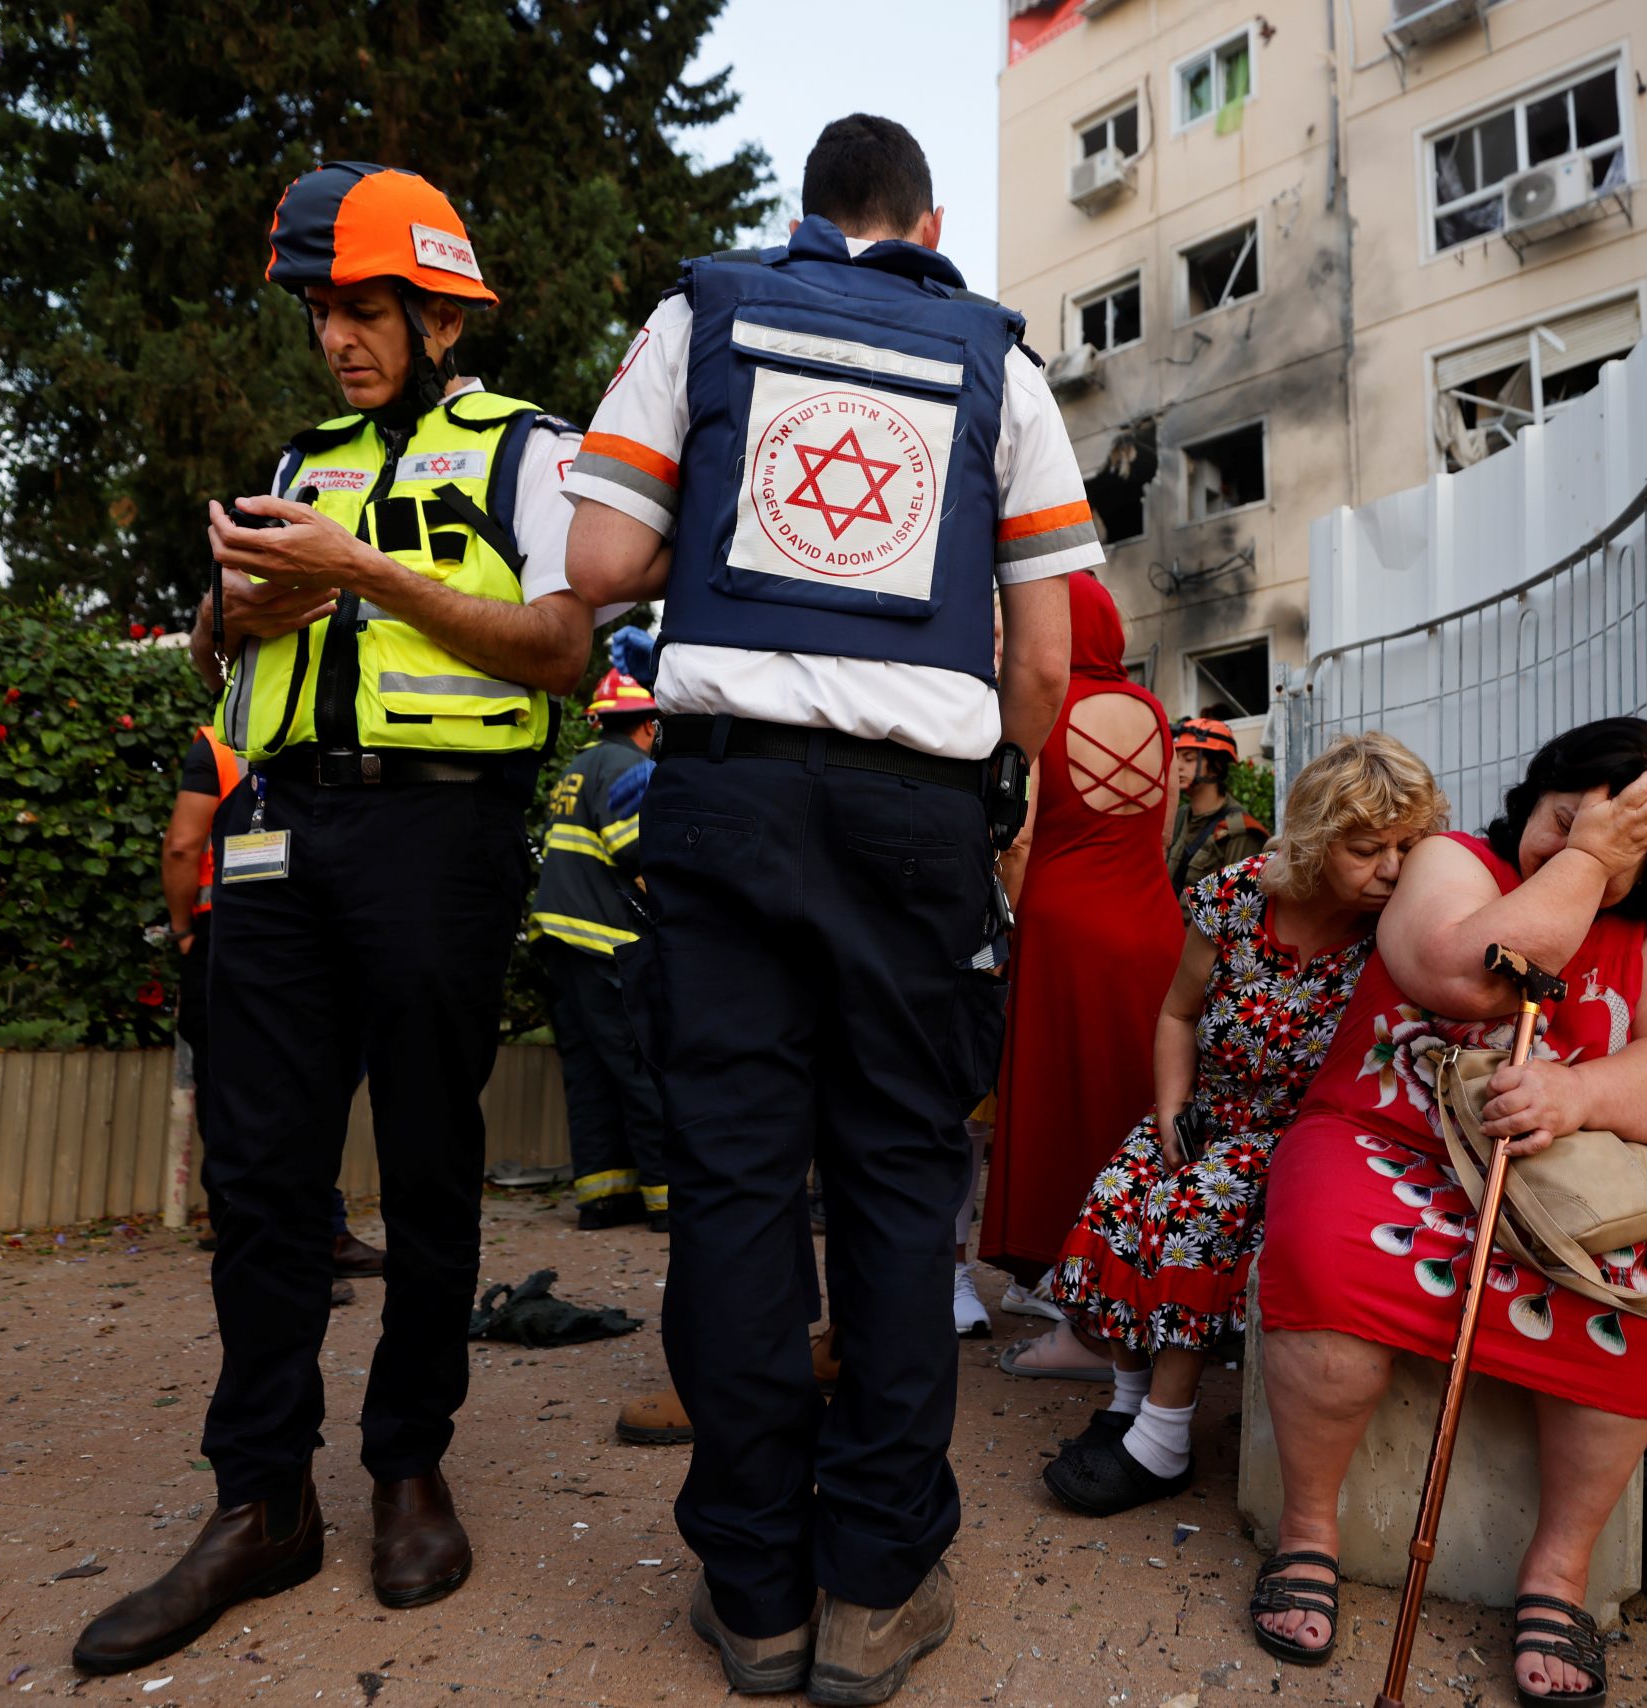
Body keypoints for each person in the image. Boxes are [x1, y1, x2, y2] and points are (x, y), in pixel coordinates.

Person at [561, 113, 1089, 1705]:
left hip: (721, 794)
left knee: (729, 1185)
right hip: (913, 818)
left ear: (804, 213)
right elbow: (1049, 660)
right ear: (925, 219)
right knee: (893, 1186)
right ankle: (872, 1591)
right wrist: (987, 813)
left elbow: (595, 555)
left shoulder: (703, 311)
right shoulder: (999, 358)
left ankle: (754, 1593)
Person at [76, 163, 605, 1676]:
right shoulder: (295, 464)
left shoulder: (530, 455)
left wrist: (365, 574)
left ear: (440, 318)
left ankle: (406, 1468)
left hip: (441, 832)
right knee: (261, 1180)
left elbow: (565, 650)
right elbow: (216, 651)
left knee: (432, 1162)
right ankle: (261, 1500)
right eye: (321, 310)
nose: (336, 337)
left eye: (364, 309)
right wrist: (230, 612)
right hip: (275, 833)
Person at [1246, 717, 1647, 1705]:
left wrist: (1579, 1097)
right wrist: (1588, 858)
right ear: (1530, 801)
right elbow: (1463, 971)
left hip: (1543, 1174)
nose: (1584, 844)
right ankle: (1308, 1531)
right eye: (1562, 819)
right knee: (1327, 1251)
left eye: (1624, 840)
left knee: (1641, 1280)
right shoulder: (1454, 861)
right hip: (1385, 1135)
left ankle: (1557, 1577)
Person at [1032, 734, 1446, 1514]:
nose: (1392, 869)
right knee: (1124, 1188)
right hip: (1211, 1109)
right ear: (1319, 839)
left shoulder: (1396, 930)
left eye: (1406, 847)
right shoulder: (1236, 895)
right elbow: (1178, 1012)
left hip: (1307, 1134)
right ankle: (1127, 1398)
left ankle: (1165, 1433)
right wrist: (1167, 1109)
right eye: (1367, 849)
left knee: (1199, 1210)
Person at [980, 571, 1180, 1328]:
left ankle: (1064, 1280)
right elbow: (1158, 838)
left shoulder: (1038, 710)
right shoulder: (1156, 714)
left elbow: (1019, 838)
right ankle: (1133, 1275)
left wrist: (1015, 925)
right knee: (1133, 1101)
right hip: (1151, 921)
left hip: (1064, 924)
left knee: (1062, 1105)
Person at [162, 723, 384, 1286]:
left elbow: (183, 845)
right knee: (318, 1082)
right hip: (329, 923)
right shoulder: (340, 725)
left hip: (235, 927)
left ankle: (257, 1233)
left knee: (239, 1087)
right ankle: (311, 1234)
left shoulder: (214, 744)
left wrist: (183, 931)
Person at [532, 667, 668, 1231]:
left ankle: (604, 1196)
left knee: (588, 1072)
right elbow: (632, 849)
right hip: (602, 939)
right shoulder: (629, 766)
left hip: (559, 938)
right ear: (647, 727)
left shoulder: (580, 765)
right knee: (639, 1065)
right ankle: (668, 1199)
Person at [1166, 716, 1268, 896]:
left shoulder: (1240, 831)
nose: (1178, 767)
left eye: (1188, 759)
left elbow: (1237, 905)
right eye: (1177, 758)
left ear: (1216, 766)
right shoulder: (1179, 817)